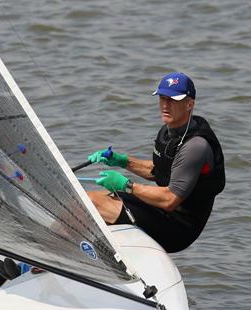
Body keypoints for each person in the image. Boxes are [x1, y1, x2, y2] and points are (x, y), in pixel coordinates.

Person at [85, 71, 225, 252]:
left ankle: (54, 257)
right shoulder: (169, 132)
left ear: (190, 104)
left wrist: (126, 185)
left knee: (92, 202)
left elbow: (170, 199)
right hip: (160, 210)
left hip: (178, 227)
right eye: (163, 98)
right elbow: (159, 169)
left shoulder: (195, 146)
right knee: (82, 198)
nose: (166, 105)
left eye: (173, 100)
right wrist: (121, 161)